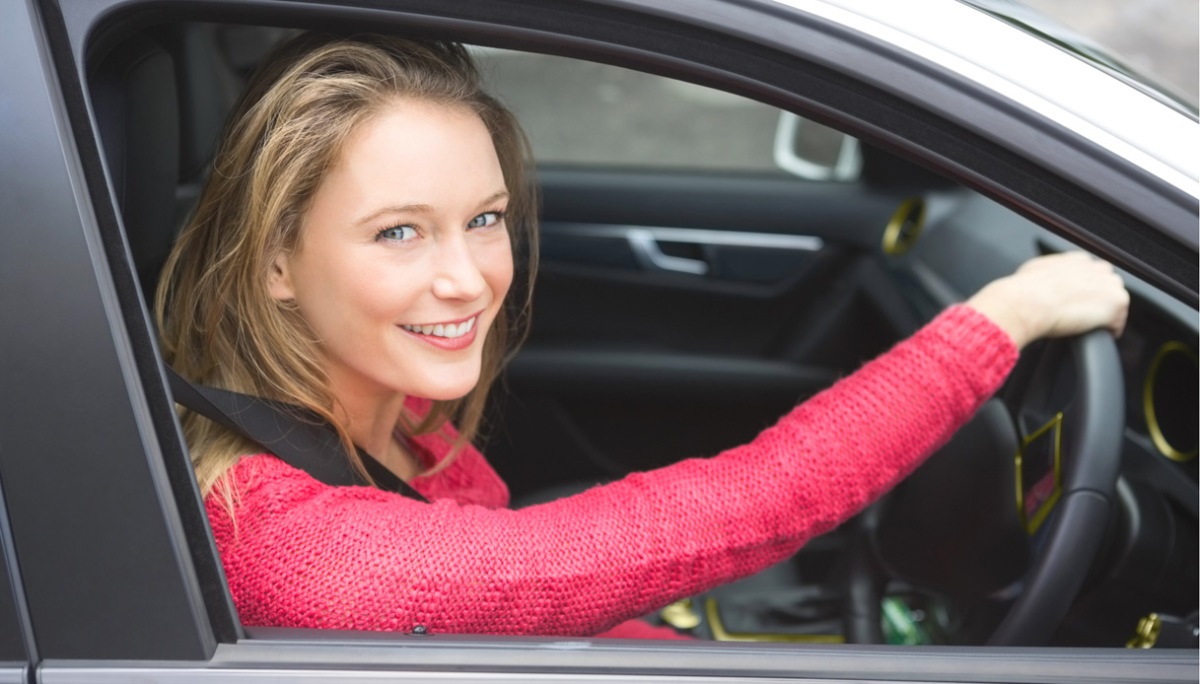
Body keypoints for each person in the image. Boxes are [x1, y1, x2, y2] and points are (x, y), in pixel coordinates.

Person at [155, 32, 1129, 638]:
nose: (468, 278)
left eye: (484, 218)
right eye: (398, 231)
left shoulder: (382, 408)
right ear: (276, 259)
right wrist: (1005, 320)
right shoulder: (300, 550)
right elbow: (742, 505)